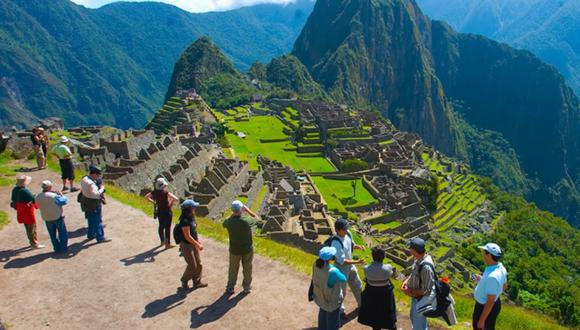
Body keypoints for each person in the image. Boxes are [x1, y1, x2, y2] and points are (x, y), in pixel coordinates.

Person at [330, 218, 365, 318]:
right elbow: (342, 260)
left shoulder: (348, 234)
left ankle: (362, 305)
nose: (346, 230)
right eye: (344, 229)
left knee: (357, 285)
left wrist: (358, 247)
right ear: (337, 230)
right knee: (341, 291)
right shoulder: (335, 242)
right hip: (341, 267)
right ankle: (340, 311)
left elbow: (351, 245)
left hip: (350, 265)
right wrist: (357, 262)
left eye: (346, 228)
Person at [223, 200, 259, 294]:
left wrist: (233, 214)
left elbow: (224, 222)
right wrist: (248, 210)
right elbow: (258, 220)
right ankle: (247, 287)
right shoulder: (246, 220)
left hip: (234, 249)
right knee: (247, 268)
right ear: (241, 210)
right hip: (247, 249)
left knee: (233, 269)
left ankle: (230, 287)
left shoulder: (229, 222)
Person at [358, 247, 397, 330]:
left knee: (375, 321)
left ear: (372, 256)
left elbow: (367, 279)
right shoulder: (388, 268)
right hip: (385, 297)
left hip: (372, 297)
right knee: (390, 321)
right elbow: (392, 275)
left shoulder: (366, 269)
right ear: (383, 257)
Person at [401, 237, 435, 330]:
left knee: (419, 325)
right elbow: (414, 274)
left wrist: (409, 291)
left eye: (410, 248)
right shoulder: (418, 259)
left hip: (421, 300)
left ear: (414, 250)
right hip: (415, 298)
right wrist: (406, 281)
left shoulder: (426, 268)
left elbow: (427, 290)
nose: (409, 250)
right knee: (414, 320)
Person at [472, 243, 508, 330]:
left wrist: (482, 320)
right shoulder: (500, 267)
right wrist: (483, 280)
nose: (483, 254)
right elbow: (504, 286)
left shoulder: (492, 276)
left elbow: (490, 301)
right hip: (494, 304)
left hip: (485, 308)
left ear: (488, 255)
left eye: (484, 252)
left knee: (479, 327)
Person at [312, 246, 347, 330]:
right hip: (331, 300)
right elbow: (344, 278)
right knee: (333, 321)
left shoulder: (315, 264)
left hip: (320, 295)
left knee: (323, 314)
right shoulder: (333, 271)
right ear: (331, 258)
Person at [176, 199, 207, 290]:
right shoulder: (184, 220)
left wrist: (197, 241)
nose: (195, 208)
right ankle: (184, 280)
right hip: (186, 245)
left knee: (199, 264)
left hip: (193, 244)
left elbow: (194, 231)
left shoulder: (191, 217)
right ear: (189, 209)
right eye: (193, 207)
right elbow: (187, 236)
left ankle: (197, 282)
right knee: (192, 265)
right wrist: (198, 244)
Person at [10, 175, 44, 248]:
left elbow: (13, 199)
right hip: (27, 211)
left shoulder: (15, 189)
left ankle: (32, 241)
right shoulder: (24, 190)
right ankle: (34, 243)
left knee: (27, 227)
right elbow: (33, 199)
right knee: (32, 227)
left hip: (21, 211)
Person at [36, 180, 69, 252]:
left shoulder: (38, 196)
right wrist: (61, 195)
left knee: (52, 235)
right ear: (50, 187)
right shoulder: (53, 196)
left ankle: (56, 248)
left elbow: (37, 206)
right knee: (62, 232)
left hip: (46, 217)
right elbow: (64, 201)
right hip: (57, 216)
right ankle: (63, 248)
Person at [145, 177, 178, 249]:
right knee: (167, 228)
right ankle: (168, 244)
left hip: (159, 211)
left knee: (161, 226)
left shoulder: (154, 192)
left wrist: (154, 202)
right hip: (167, 211)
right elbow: (176, 199)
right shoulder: (166, 193)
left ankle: (162, 241)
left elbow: (146, 197)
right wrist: (171, 203)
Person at [80, 165, 110, 243]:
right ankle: (100, 237)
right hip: (93, 202)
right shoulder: (91, 183)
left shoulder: (84, 179)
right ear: (94, 174)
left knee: (90, 219)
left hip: (86, 201)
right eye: (97, 175)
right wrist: (102, 189)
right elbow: (96, 194)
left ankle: (91, 234)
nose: (98, 177)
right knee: (97, 220)